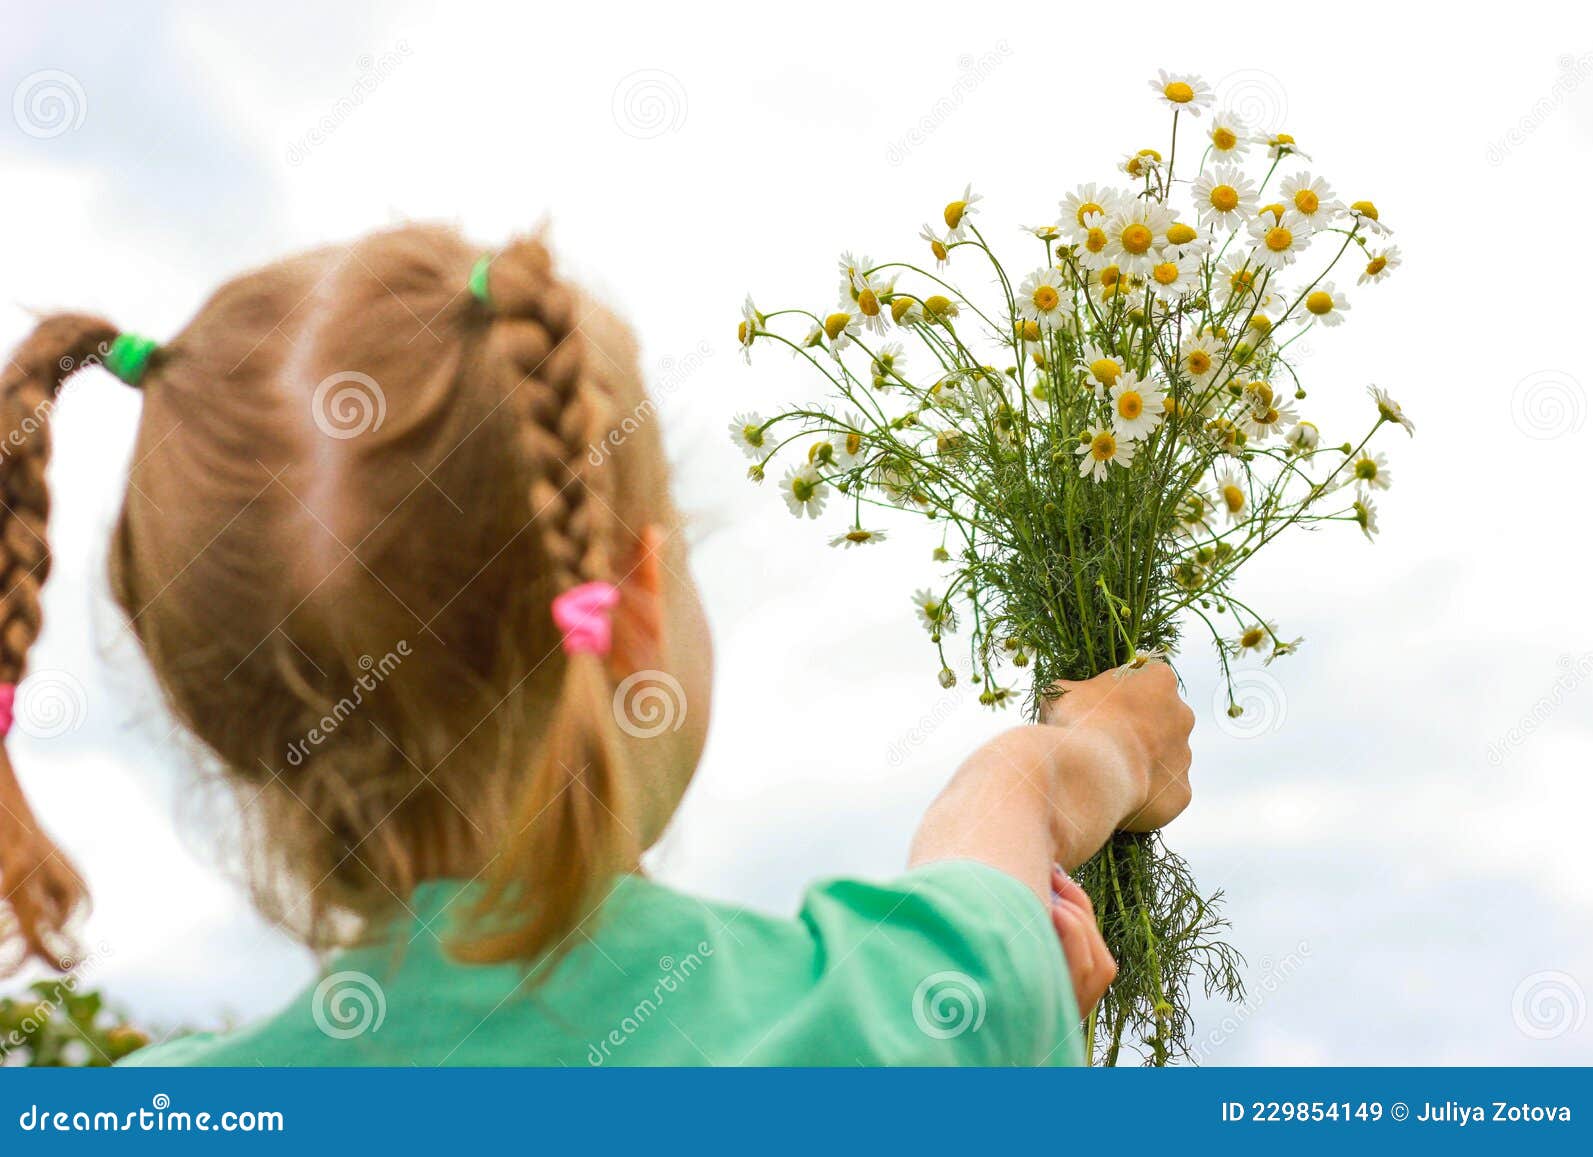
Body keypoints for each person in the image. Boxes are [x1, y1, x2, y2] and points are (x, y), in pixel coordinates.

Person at [0, 225, 1194, 1065]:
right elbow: (1005, 826)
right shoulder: (909, 1024)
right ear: (630, 604)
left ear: (199, 698)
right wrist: (1087, 752)